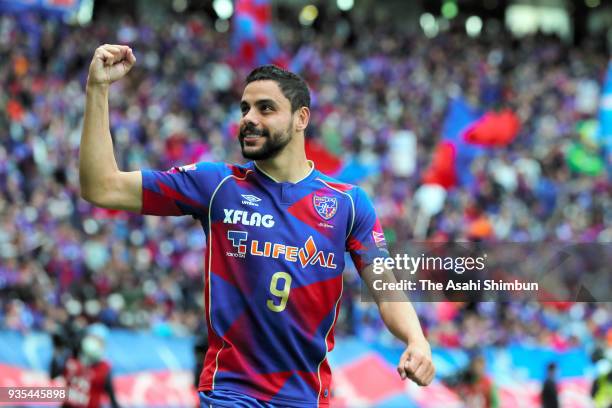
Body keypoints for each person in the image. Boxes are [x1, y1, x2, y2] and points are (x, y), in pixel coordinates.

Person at [79, 44, 434, 407]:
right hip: (232, 394)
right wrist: (97, 89)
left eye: (266, 109)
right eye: (245, 109)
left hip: (307, 398)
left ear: (301, 119)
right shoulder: (216, 185)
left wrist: (416, 340)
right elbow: (101, 186)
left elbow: (385, 286)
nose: (249, 118)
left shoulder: (348, 204)